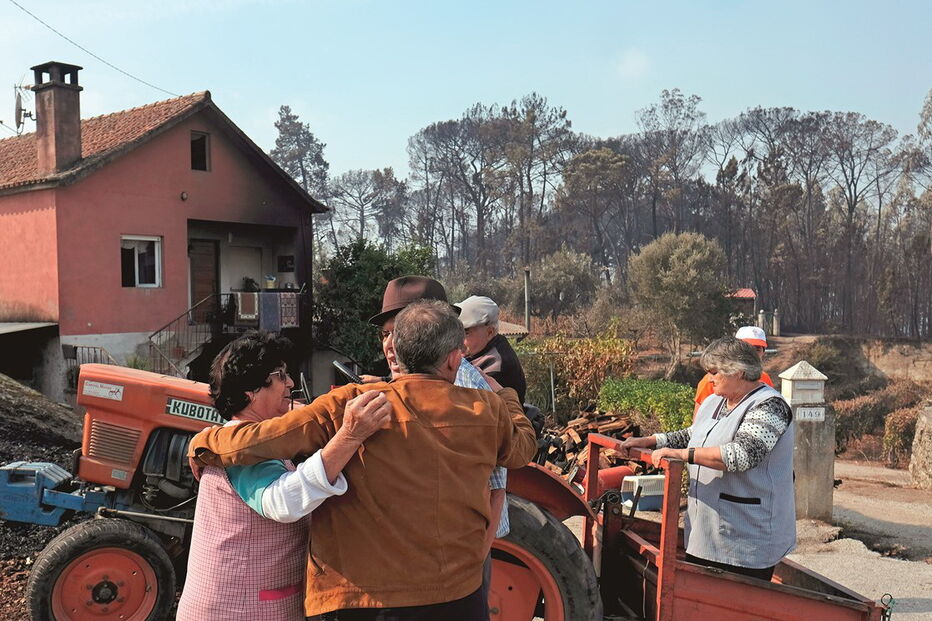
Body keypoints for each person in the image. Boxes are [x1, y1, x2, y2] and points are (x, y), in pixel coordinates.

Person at [188, 301, 537, 620]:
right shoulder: (484, 410)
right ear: (453, 359)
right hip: (455, 595)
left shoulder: (352, 404)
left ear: (396, 352)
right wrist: (506, 396)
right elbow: (522, 450)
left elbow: (266, 437)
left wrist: (204, 442)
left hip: (360, 601)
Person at [177, 331, 389, 620]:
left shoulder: (244, 439)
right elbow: (283, 501)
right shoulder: (240, 450)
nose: (289, 383)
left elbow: (307, 418)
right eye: (280, 376)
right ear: (250, 391)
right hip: (240, 609)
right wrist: (350, 436)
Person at [359, 276, 512, 607]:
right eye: (385, 334)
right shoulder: (407, 384)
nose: (390, 344)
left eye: (400, 331)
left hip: (461, 556)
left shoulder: (467, 388)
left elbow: (495, 484)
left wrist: (475, 560)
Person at [620, 336, 795, 581]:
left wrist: (682, 455)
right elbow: (696, 434)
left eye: (714, 371)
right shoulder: (715, 401)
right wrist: (653, 441)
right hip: (706, 533)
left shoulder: (770, 406)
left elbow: (742, 455)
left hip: (746, 538)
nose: (709, 377)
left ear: (739, 371)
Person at [455, 295, 527, 405]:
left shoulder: (496, 364)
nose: (458, 340)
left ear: (490, 332)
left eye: (466, 333)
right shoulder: (482, 350)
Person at [694, 326, 773, 416]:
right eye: (747, 349)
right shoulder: (711, 381)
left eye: (757, 349)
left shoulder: (765, 381)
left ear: (763, 353)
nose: (752, 354)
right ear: (732, 351)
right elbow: (698, 422)